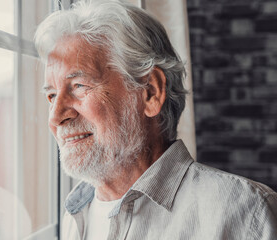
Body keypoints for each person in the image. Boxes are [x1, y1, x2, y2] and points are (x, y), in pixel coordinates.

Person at [34, 0, 277, 239]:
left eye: (79, 86)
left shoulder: (247, 214)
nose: (55, 117)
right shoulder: (75, 217)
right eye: (51, 95)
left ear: (150, 92)